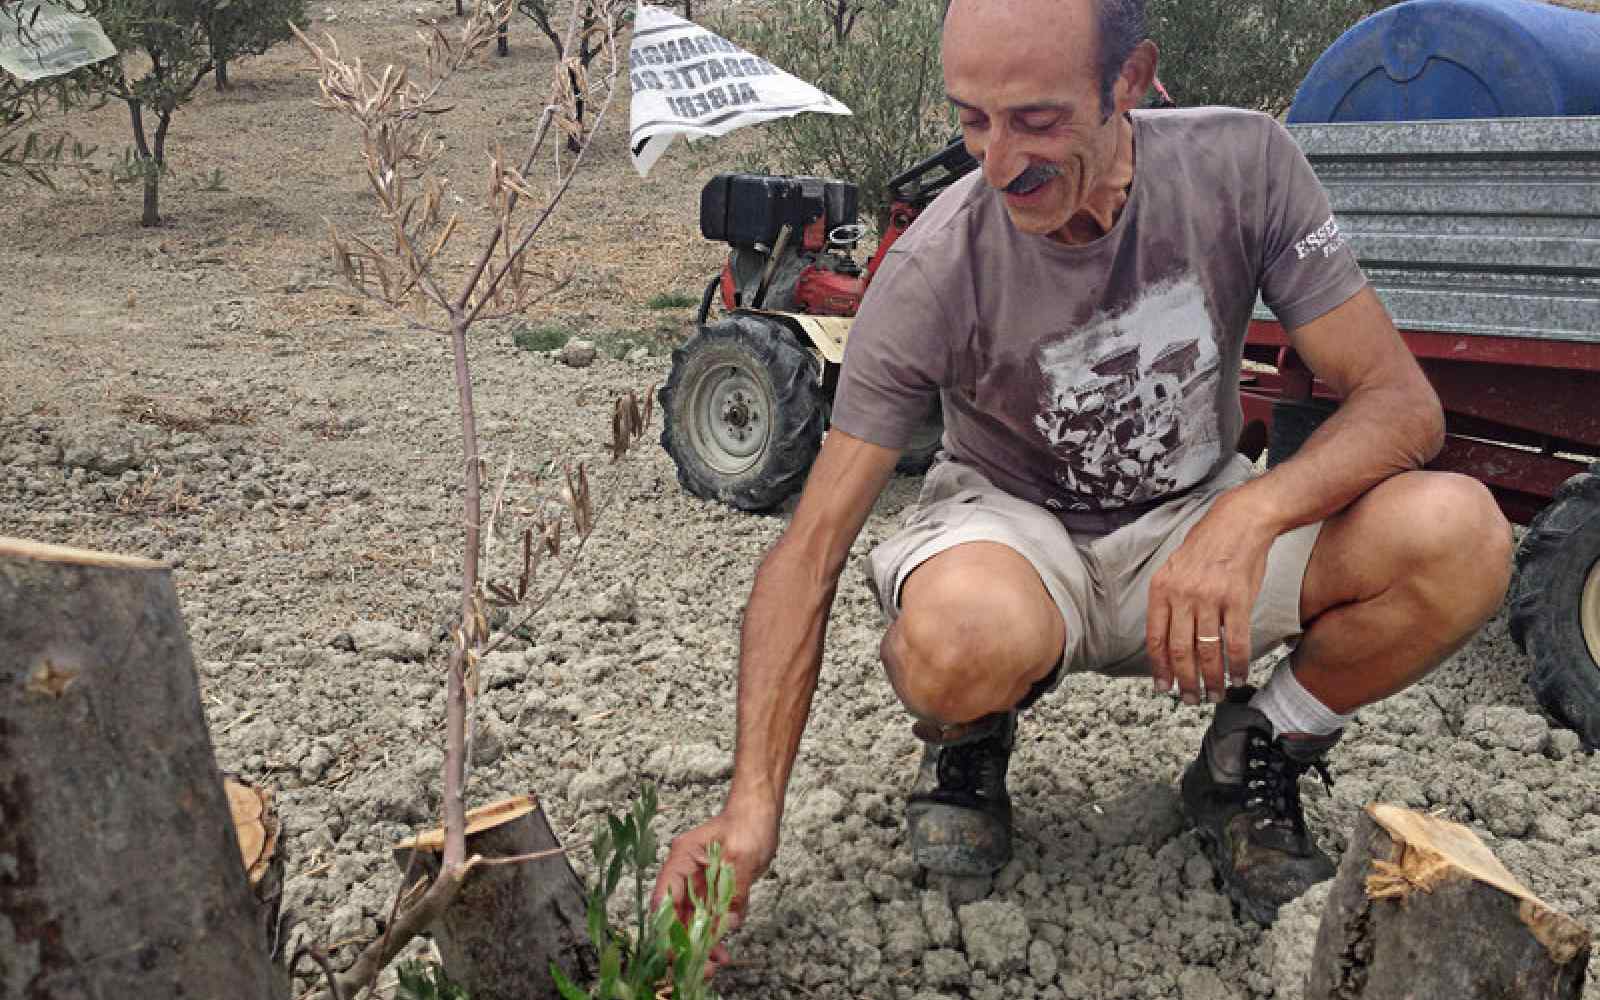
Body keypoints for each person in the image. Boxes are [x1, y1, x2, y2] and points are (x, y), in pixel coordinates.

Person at [654, 0, 1513, 948]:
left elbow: (1401, 405)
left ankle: (1253, 750)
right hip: (1014, 532)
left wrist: (1250, 515)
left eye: (1036, 120)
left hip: (1196, 513)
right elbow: (809, 552)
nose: (998, 163)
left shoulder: (1244, 165)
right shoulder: (935, 265)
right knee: (952, 640)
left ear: (1132, 81)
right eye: (971, 119)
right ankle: (970, 734)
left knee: (1461, 540)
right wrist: (750, 810)